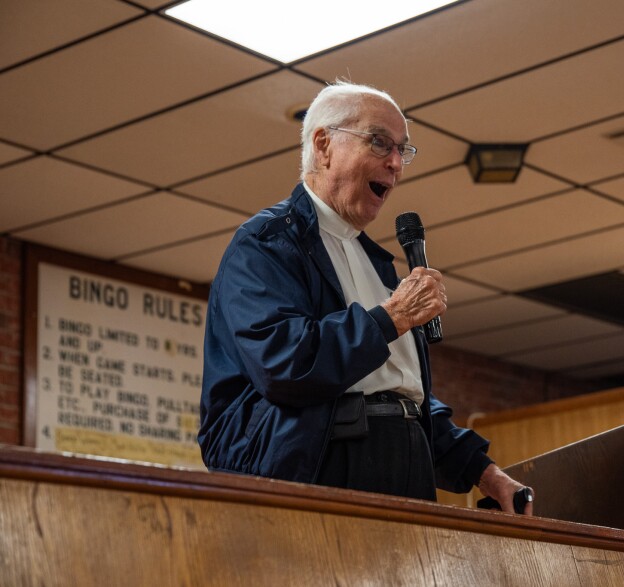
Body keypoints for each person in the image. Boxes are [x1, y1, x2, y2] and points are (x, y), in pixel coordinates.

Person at [198, 81, 532, 514]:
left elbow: (399, 392)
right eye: (379, 143)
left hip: (404, 468)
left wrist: (485, 472)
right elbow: (285, 364)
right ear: (323, 145)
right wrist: (390, 318)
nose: (396, 164)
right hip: (313, 475)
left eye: (403, 150)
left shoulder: (376, 264)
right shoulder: (265, 245)